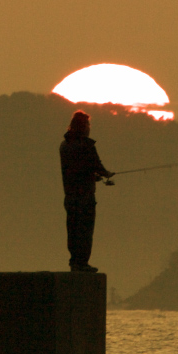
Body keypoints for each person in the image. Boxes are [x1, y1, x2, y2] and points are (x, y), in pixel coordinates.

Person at [59, 109, 113, 272]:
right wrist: (106, 174)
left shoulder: (64, 145)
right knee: (85, 231)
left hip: (70, 196)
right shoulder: (86, 145)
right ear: (84, 126)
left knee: (73, 230)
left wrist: (92, 175)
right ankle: (82, 263)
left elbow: (76, 169)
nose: (89, 127)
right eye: (88, 124)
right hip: (85, 196)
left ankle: (74, 262)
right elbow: (96, 165)